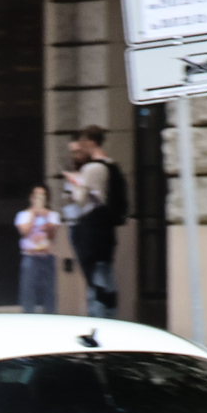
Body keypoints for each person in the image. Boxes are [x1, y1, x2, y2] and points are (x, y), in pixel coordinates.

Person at [64, 127, 126, 319]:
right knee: (106, 277)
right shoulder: (112, 166)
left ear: (90, 143)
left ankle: (100, 319)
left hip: (92, 232)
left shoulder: (93, 169)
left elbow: (80, 199)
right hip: (107, 232)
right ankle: (110, 314)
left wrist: (75, 182)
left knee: (96, 281)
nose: (81, 150)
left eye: (82, 145)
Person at [12, 186, 59, 314]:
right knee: (28, 290)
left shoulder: (52, 215)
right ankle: (28, 316)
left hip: (46, 257)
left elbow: (52, 235)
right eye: (37, 196)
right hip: (30, 257)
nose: (39, 199)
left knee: (49, 291)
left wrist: (46, 216)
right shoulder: (23, 215)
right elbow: (25, 232)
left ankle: (50, 317)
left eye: (42, 196)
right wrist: (34, 214)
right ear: (31, 197)